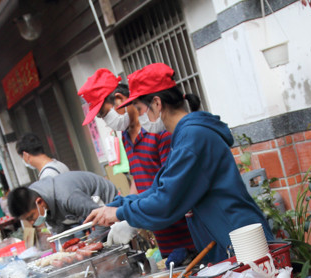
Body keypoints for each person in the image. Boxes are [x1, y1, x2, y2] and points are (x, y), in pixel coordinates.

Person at [86, 63, 273, 263]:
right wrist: (118, 205)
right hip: (225, 240)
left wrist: (121, 213)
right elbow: (160, 187)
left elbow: (166, 201)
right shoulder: (184, 136)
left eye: (140, 108)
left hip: (240, 241)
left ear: (157, 104)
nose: (140, 116)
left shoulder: (192, 138)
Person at [78, 69, 195, 262]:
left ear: (119, 99)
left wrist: (126, 214)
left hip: (182, 227)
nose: (106, 122)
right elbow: (138, 180)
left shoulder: (159, 129)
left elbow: (169, 188)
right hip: (160, 231)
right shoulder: (125, 135)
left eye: (104, 114)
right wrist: (120, 211)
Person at [6, 170, 117, 235]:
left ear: (39, 202)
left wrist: (91, 243)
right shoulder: (42, 203)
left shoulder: (67, 197)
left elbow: (103, 220)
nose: (31, 222)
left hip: (109, 204)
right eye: (27, 220)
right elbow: (61, 232)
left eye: (31, 217)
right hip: (91, 211)